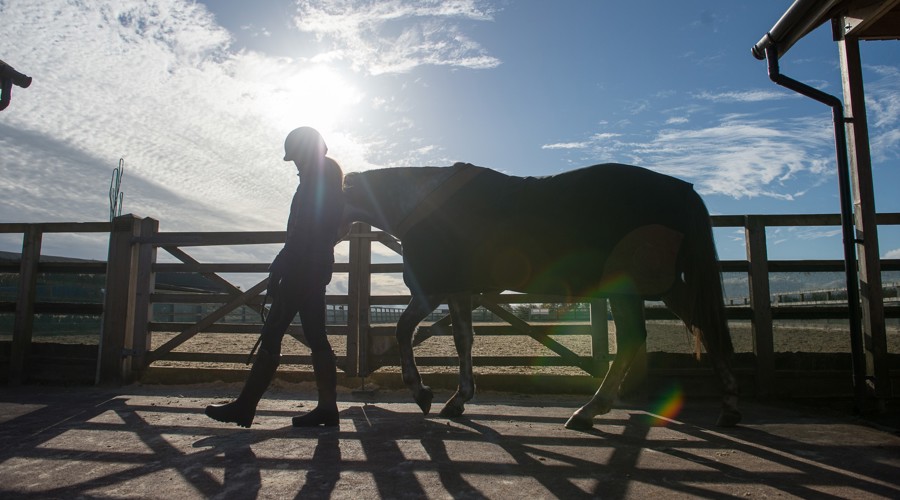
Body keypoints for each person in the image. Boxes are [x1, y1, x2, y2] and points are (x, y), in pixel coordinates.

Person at [206, 127, 345, 428]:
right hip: (316, 267)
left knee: (272, 334)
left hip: (301, 268)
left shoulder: (315, 181)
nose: (294, 165)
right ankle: (327, 408)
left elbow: (304, 227)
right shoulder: (328, 178)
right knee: (317, 338)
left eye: (295, 158)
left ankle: (245, 407)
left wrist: (283, 262)